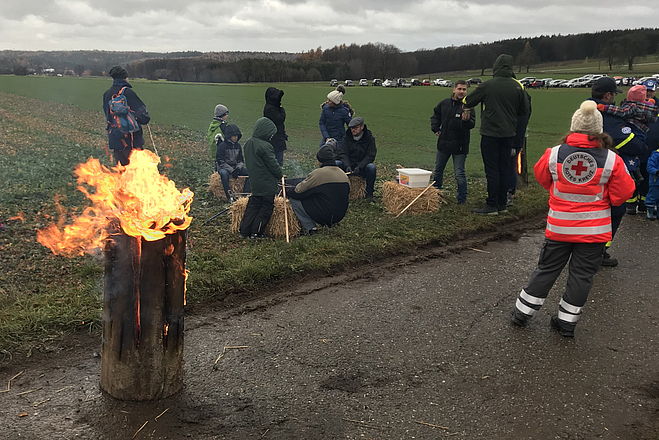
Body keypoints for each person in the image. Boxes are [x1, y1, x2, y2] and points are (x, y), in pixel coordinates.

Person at [510, 100, 635, 337]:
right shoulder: (611, 159)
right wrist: (605, 196)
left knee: (546, 269)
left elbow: (543, 178)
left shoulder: (554, 153)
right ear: (599, 129)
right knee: (582, 275)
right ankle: (566, 323)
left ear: (573, 126)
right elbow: (624, 193)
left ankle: (522, 313)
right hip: (594, 231)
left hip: (559, 227)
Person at [464, 54, 531, 215]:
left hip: (490, 134)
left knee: (492, 170)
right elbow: (524, 111)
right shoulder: (518, 86)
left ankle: (492, 204)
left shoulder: (488, 85)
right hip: (509, 135)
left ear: (496, 67)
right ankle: (502, 203)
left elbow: (468, 101)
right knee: (505, 168)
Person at [590, 77, 646, 266]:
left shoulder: (585, 111)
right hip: (605, 171)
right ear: (607, 95)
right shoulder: (607, 117)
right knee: (615, 209)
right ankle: (598, 252)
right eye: (613, 94)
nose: (614, 97)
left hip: (589, 169)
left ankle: (585, 249)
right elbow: (633, 144)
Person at [286, 144, 350, 235]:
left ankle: (310, 228)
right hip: (339, 215)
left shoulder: (318, 173)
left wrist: (288, 190)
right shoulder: (343, 174)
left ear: (320, 160)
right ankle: (330, 223)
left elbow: (298, 192)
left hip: (325, 214)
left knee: (295, 200)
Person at [429, 80, 476, 204]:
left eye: (464, 89)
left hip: (460, 146)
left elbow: (472, 124)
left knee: (459, 173)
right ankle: (436, 195)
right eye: (459, 89)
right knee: (438, 171)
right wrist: (435, 128)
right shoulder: (444, 104)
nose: (461, 92)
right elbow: (435, 115)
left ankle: (461, 199)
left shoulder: (468, 106)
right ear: (454, 89)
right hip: (444, 144)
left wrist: (466, 121)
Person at [239, 117, 283, 238]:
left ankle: (244, 230)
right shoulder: (265, 146)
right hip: (266, 183)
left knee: (253, 206)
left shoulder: (248, 143)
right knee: (265, 209)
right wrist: (280, 174)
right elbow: (273, 164)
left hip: (255, 181)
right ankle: (256, 232)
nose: (271, 137)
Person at [102, 66, 150, 166]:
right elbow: (144, 118)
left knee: (121, 171)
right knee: (136, 171)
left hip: (115, 138)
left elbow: (108, 115)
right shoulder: (128, 92)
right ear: (125, 77)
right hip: (131, 140)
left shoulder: (107, 94)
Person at [337, 117, 377, 199]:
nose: (353, 130)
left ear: (362, 127)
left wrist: (360, 166)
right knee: (337, 164)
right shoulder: (346, 138)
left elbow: (370, 155)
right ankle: (337, 190)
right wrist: (347, 165)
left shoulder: (370, 138)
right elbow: (342, 153)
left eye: (355, 128)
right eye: (351, 128)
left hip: (362, 167)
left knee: (371, 167)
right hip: (349, 166)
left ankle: (369, 193)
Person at [215, 124, 250, 202]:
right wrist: (232, 170)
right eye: (234, 136)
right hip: (224, 168)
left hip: (235, 167)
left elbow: (241, 160)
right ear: (229, 136)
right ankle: (229, 196)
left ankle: (244, 195)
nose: (236, 138)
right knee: (224, 175)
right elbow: (220, 161)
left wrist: (238, 168)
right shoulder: (222, 146)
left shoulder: (238, 146)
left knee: (250, 173)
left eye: (237, 136)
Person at [263, 87, 288, 166]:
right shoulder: (270, 109)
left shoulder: (272, 107)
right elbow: (280, 119)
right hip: (274, 137)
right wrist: (282, 109)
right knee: (277, 158)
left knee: (278, 156)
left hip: (278, 136)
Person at [645, 147, 659, 220]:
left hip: (655, 180)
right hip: (655, 181)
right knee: (652, 197)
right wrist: (656, 172)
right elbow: (649, 167)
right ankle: (650, 212)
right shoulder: (655, 155)